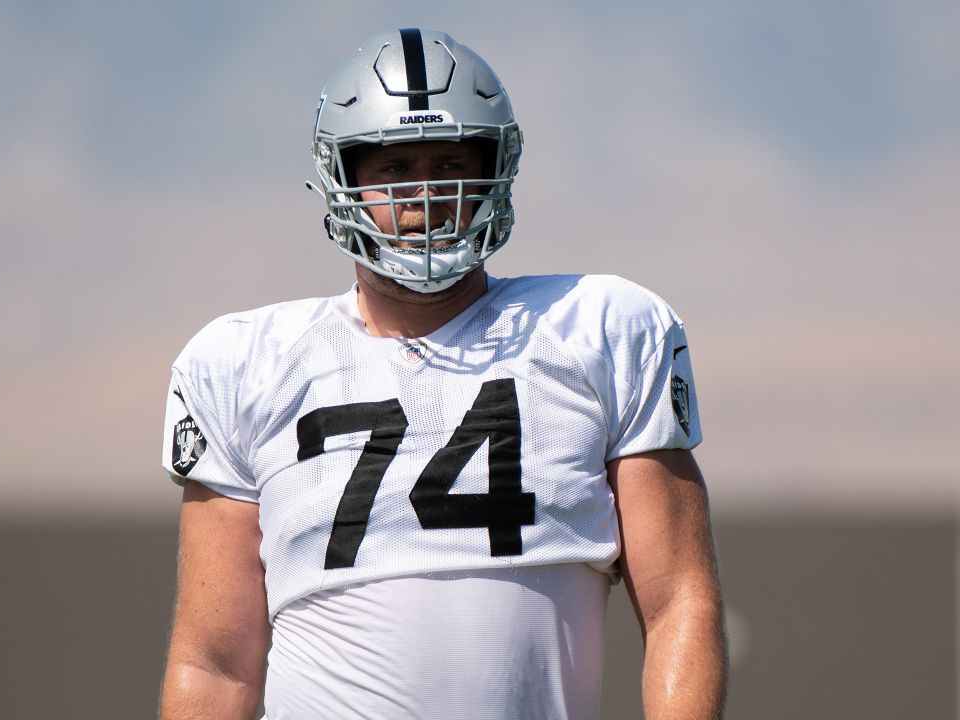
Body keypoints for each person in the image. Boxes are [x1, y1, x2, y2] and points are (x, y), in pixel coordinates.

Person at [159, 28, 727, 720]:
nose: (423, 194)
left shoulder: (604, 330)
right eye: (394, 169)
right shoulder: (243, 365)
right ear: (343, 179)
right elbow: (214, 664)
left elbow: (680, 606)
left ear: (494, 168)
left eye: (448, 163)